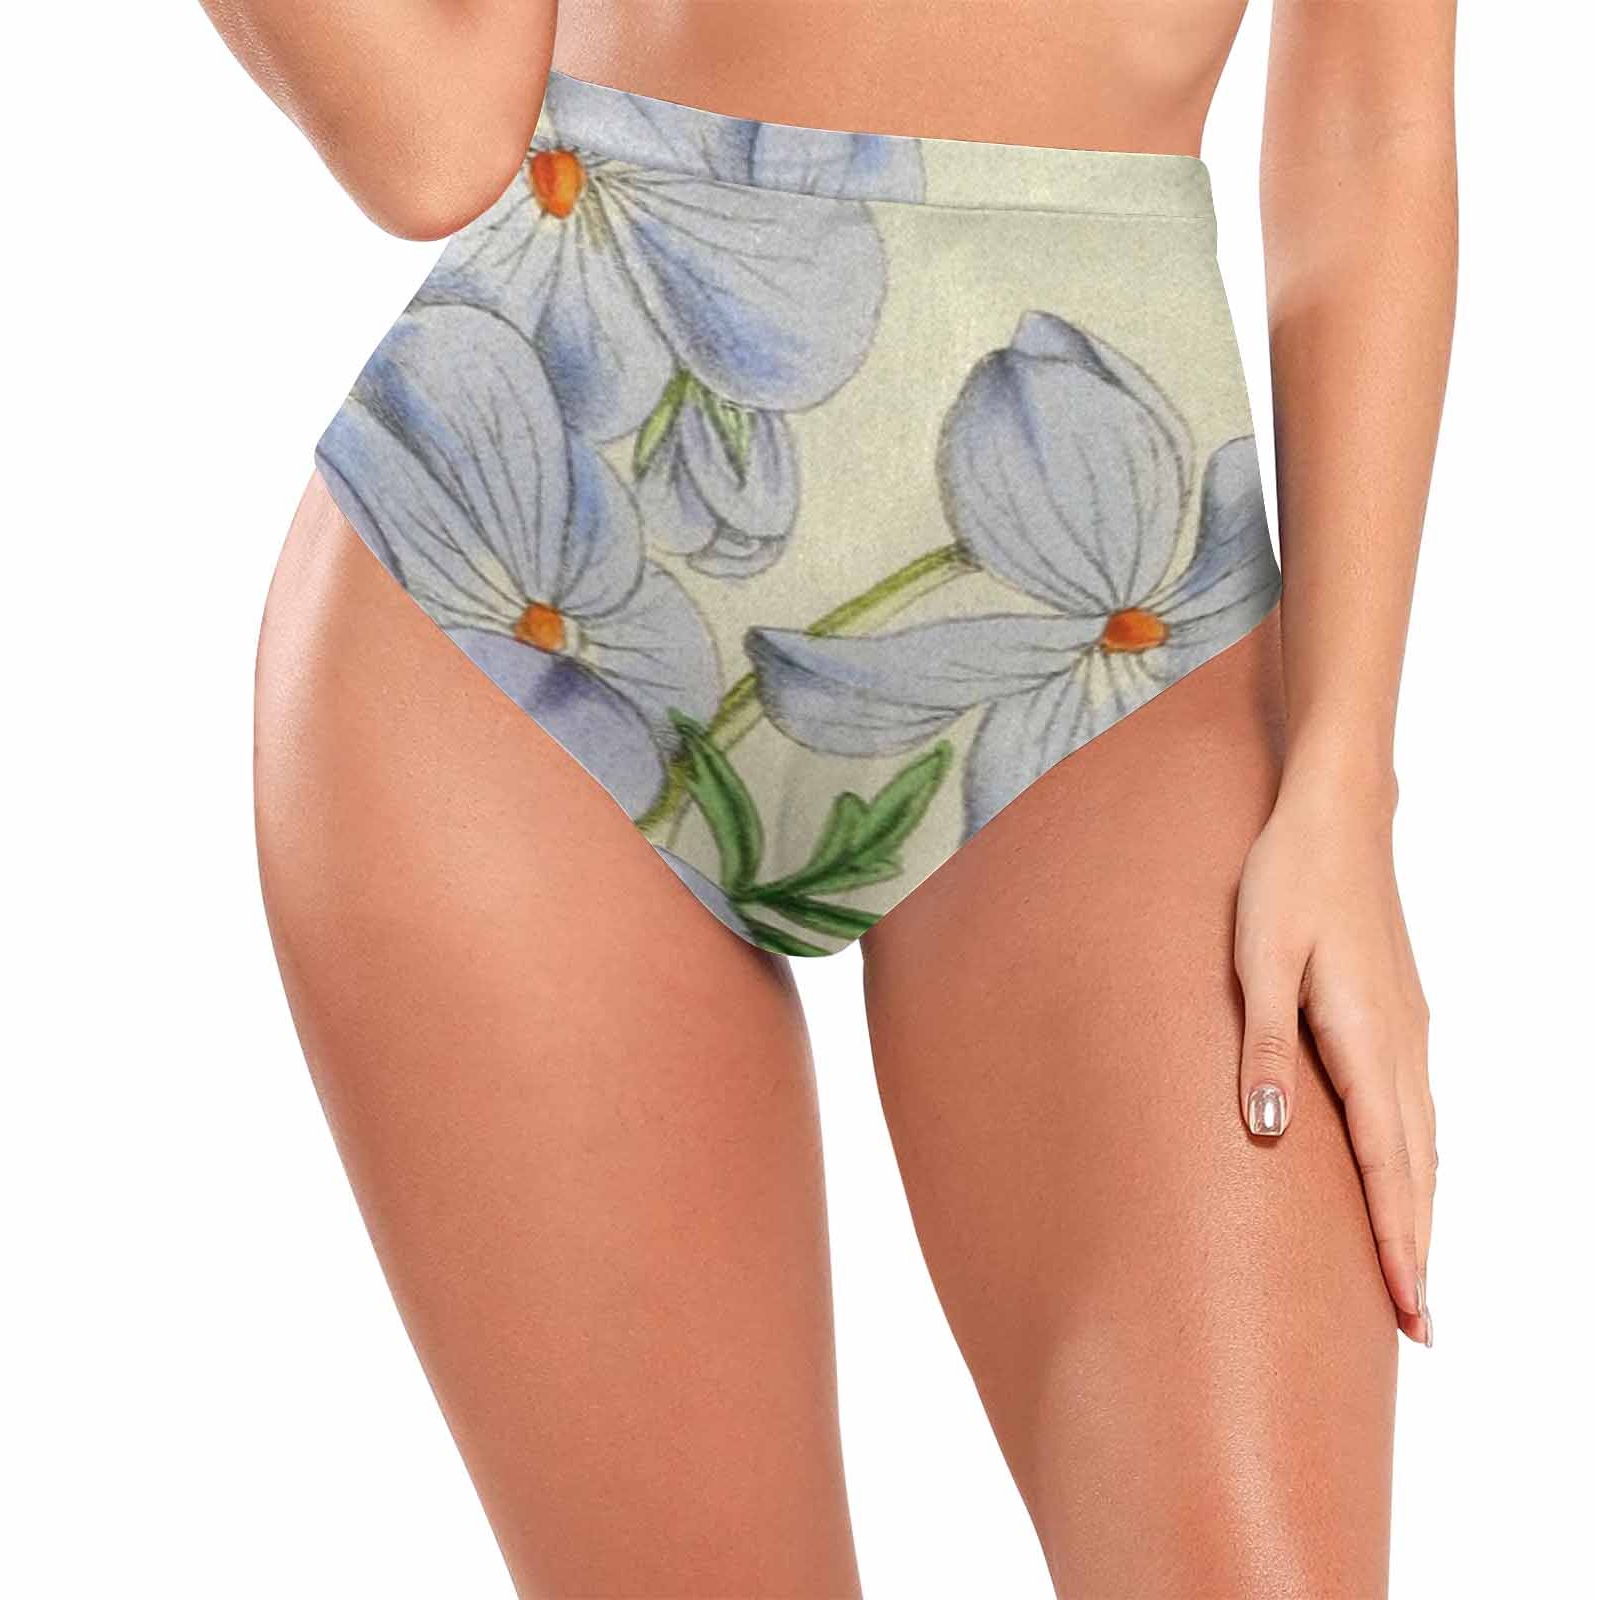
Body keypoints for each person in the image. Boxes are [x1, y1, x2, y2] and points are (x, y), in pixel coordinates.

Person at [208, 0, 1453, 1591]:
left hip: (1115, 619)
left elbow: (1370, 132)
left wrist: (1344, 786)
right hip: (521, 581)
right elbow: (430, 143)